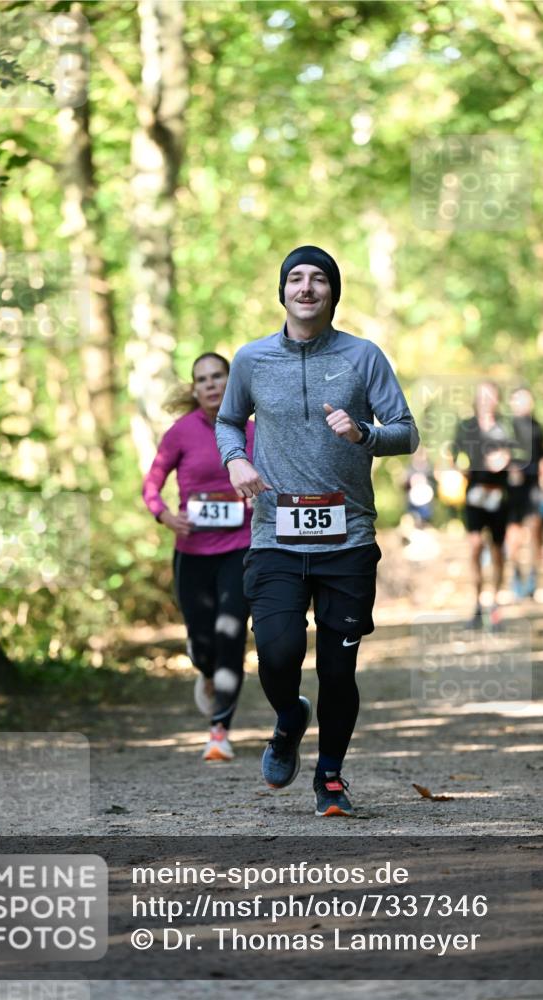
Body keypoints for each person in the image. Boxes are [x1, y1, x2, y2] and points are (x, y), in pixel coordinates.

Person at [215, 245, 419, 817]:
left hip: (347, 537)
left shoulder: (362, 356)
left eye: (319, 279)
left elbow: (406, 431)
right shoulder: (252, 359)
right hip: (275, 536)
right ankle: (288, 719)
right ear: (282, 291)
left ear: (333, 292)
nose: (306, 288)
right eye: (296, 279)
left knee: (337, 668)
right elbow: (228, 421)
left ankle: (329, 776)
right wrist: (235, 459)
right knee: (277, 654)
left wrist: (363, 434)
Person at [143, 353, 254, 762]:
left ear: (231, 381)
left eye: (218, 376)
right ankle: (206, 672)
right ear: (195, 388)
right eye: (202, 379)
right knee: (203, 644)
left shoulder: (255, 431)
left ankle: (219, 731)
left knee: (231, 635)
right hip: (192, 553)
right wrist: (165, 516)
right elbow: (152, 484)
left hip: (240, 549)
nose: (210, 384)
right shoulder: (181, 432)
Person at [450, 381, 515, 629]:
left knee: (497, 551)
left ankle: (495, 605)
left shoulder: (506, 426)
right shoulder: (466, 426)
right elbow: (454, 455)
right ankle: (477, 605)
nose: (486, 400)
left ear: (497, 399)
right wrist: (460, 470)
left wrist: (505, 459)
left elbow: (517, 455)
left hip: (498, 495)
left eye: (490, 396)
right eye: (482, 396)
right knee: (475, 546)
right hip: (474, 495)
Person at [506, 387, 543, 599]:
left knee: (535, 528)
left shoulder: (537, 427)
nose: (522, 404)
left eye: (526, 399)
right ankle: (516, 574)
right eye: (518, 400)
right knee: (513, 534)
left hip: (533, 486)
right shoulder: (506, 427)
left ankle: (533, 576)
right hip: (513, 488)